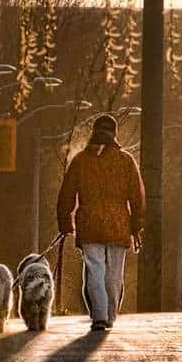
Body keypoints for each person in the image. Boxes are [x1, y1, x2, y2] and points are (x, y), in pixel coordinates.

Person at [54, 113, 145, 330]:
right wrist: (136, 225)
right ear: (114, 134)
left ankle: (100, 316)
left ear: (94, 133)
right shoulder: (125, 160)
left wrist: (65, 221)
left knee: (95, 270)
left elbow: (66, 194)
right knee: (114, 273)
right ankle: (110, 315)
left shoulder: (80, 160)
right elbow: (137, 195)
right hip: (118, 224)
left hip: (89, 224)